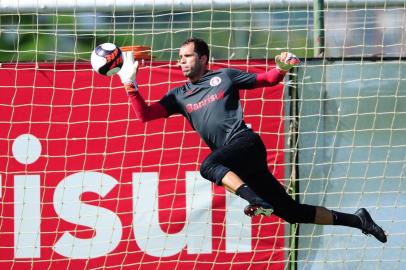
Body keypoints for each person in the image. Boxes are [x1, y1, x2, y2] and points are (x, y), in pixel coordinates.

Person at [117, 37, 387, 243]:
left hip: (246, 143)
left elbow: (268, 80)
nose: (181, 62)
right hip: (237, 162)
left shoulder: (224, 77)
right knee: (292, 213)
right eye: (179, 57)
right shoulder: (179, 95)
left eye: (187, 56)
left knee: (208, 166)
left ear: (203, 58)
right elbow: (146, 115)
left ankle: (255, 200)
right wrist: (130, 85)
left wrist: (281, 69)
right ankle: (359, 220)